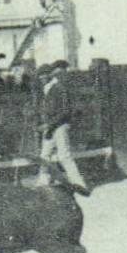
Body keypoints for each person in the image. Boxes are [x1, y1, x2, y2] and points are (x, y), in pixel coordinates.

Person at [37, 60, 90, 196]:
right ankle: (43, 182)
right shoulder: (46, 89)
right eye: (39, 76)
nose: (40, 78)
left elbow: (65, 111)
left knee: (64, 156)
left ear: (49, 75)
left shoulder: (59, 88)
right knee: (44, 156)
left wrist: (49, 124)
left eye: (43, 75)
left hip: (60, 126)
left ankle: (79, 184)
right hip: (50, 127)